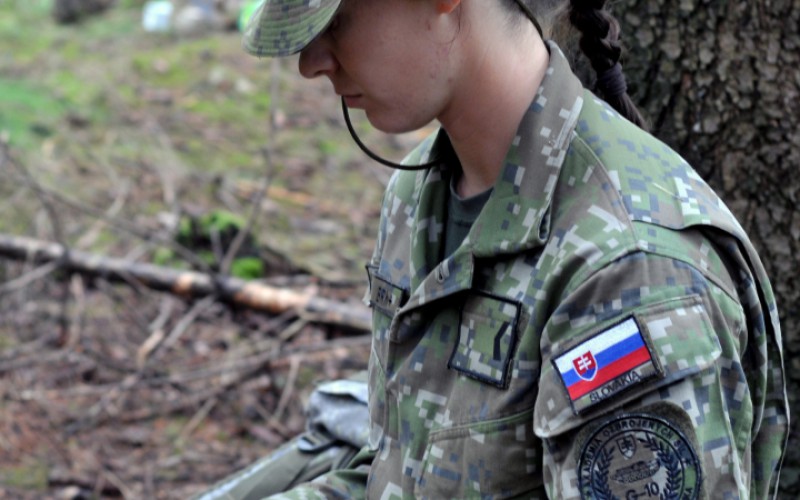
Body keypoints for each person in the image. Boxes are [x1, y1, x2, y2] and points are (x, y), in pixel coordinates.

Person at [211, 0, 790, 498]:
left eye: (337, 20)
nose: (312, 62)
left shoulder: (629, 271)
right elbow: (405, 473)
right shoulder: (418, 195)